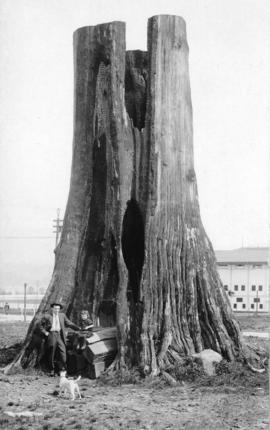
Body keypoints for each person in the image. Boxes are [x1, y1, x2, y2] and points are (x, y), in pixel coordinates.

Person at [40, 302, 80, 376]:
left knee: (63, 353)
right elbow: (40, 326)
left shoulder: (62, 315)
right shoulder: (47, 316)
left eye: (58, 309)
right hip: (51, 335)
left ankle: (63, 370)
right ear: (52, 308)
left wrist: (78, 328)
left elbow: (69, 323)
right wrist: (45, 332)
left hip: (60, 335)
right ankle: (52, 370)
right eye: (55, 308)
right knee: (51, 353)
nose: (57, 310)